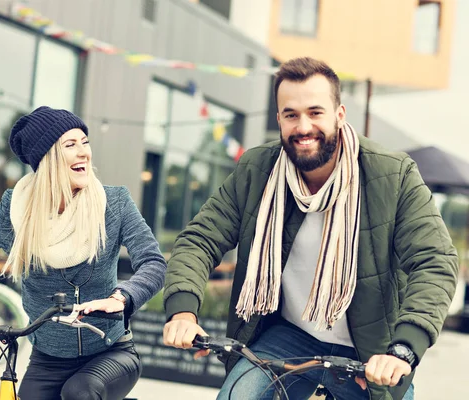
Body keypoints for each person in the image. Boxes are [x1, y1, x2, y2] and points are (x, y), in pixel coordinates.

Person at [162, 57, 458, 400]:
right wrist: (183, 311)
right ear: (279, 120)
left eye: (315, 112)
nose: (303, 127)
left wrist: (405, 349)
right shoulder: (258, 170)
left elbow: (435, 262)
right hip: (289, 336)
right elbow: (199, 240)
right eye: (291, 114)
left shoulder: (393, 175)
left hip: (371, 349)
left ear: (340, 114)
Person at [0, 106, 167, 400]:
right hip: (47, 361)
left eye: (85, 142)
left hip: (111, 353)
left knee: (79, 392)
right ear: (48, 160)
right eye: (71, 145)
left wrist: (122, 296)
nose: (84, 152)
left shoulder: (114, 204)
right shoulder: (14, 214)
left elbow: (153, 263)